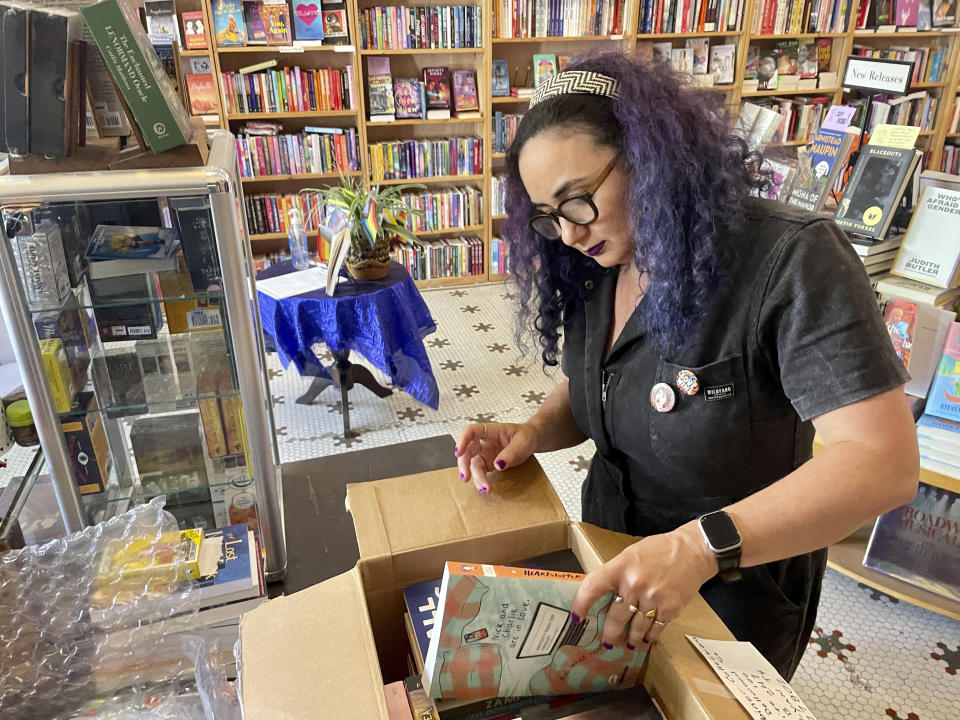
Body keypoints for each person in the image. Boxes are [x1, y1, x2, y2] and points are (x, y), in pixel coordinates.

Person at [454, 53, 919, 681]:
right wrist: (535, 430)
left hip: (734, 589)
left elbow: (881, 464)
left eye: (579, 200)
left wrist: (702, 547)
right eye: (547, 216)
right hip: (612, 556)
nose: (565, 234)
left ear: (651, 158)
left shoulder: (791, 258)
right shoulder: (602, 258)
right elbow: (597, 381)